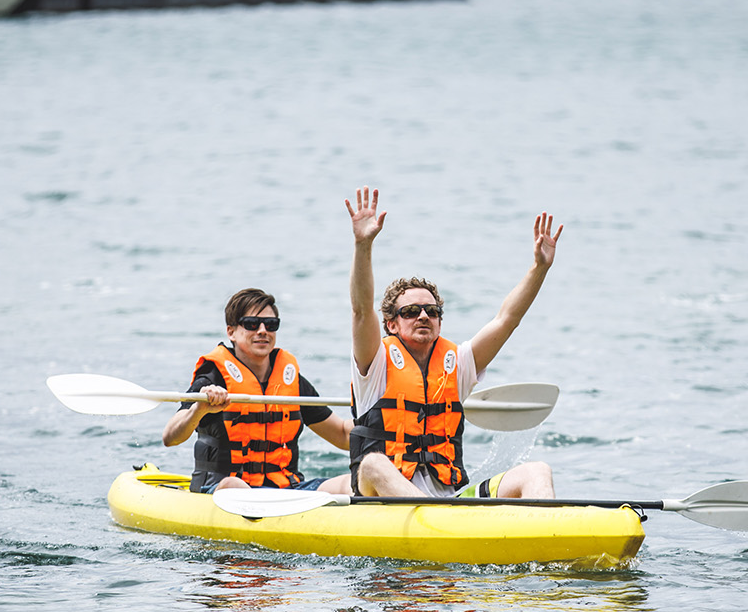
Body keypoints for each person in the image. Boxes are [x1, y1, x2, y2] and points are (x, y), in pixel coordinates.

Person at [346, 186, 560, 499]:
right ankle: (434, 525)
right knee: (373, 464)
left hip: (451, 501)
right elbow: (361, 310)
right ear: (391, 324)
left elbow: (507, 319)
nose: (422, 316)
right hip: (383, 499)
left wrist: (539, 269)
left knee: (538, 471)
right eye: (410, 311)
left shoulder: (457, 364)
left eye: (431, 311)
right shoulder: (374, 363)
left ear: (440, 320)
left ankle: (548, 535)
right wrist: (362, 246)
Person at [163, 288, 352, 494]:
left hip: (286, 488)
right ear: (231, 332)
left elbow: (342, 435)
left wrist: (381, 414)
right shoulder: (213, 379)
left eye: (271, 325)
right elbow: (170, 437)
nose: (263, 330)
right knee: (234, 486)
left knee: (351, 483)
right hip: (222, 488)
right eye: (251, 324)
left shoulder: (292, 382)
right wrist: (199, 409)